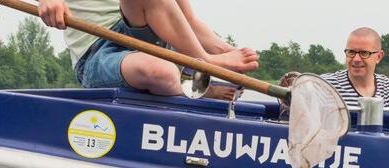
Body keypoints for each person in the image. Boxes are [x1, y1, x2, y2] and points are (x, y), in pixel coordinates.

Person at [36, 0, 258, 96]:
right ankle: (203, 71)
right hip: (97, 53)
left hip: (153, 37)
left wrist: (226, 50)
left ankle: (208, 62)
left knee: (176, 65)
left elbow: (188, 21)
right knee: (162, 73)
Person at [309, 28, 389, 112]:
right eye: (351, 52)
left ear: (379, 56)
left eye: (364, 53)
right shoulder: (325, 85)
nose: (356, 59)